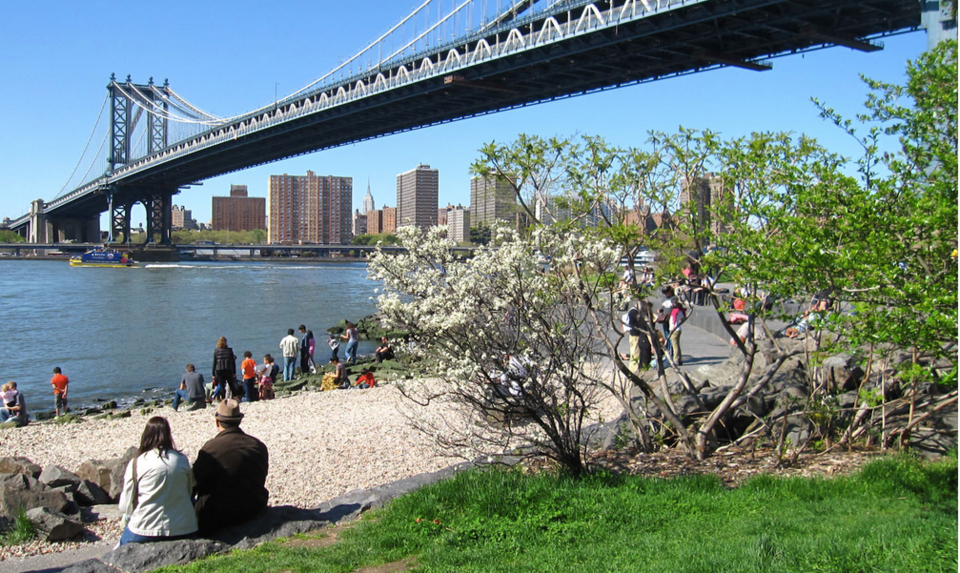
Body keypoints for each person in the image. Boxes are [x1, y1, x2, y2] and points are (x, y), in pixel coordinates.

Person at [192, 400, 269, 535]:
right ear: (239, 421)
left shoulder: (210, 449)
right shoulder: (258, 446)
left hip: (219, 515)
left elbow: (194, 483)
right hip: (254, 507)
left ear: (217, 422)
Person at [118, 417, 198, 545]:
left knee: (121, 548)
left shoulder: (137, 463)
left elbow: (125, 505)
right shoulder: (182, 460)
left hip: (145, 528)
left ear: (146, 435)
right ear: (168, 435)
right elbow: (188, 493)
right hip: (184, 526)